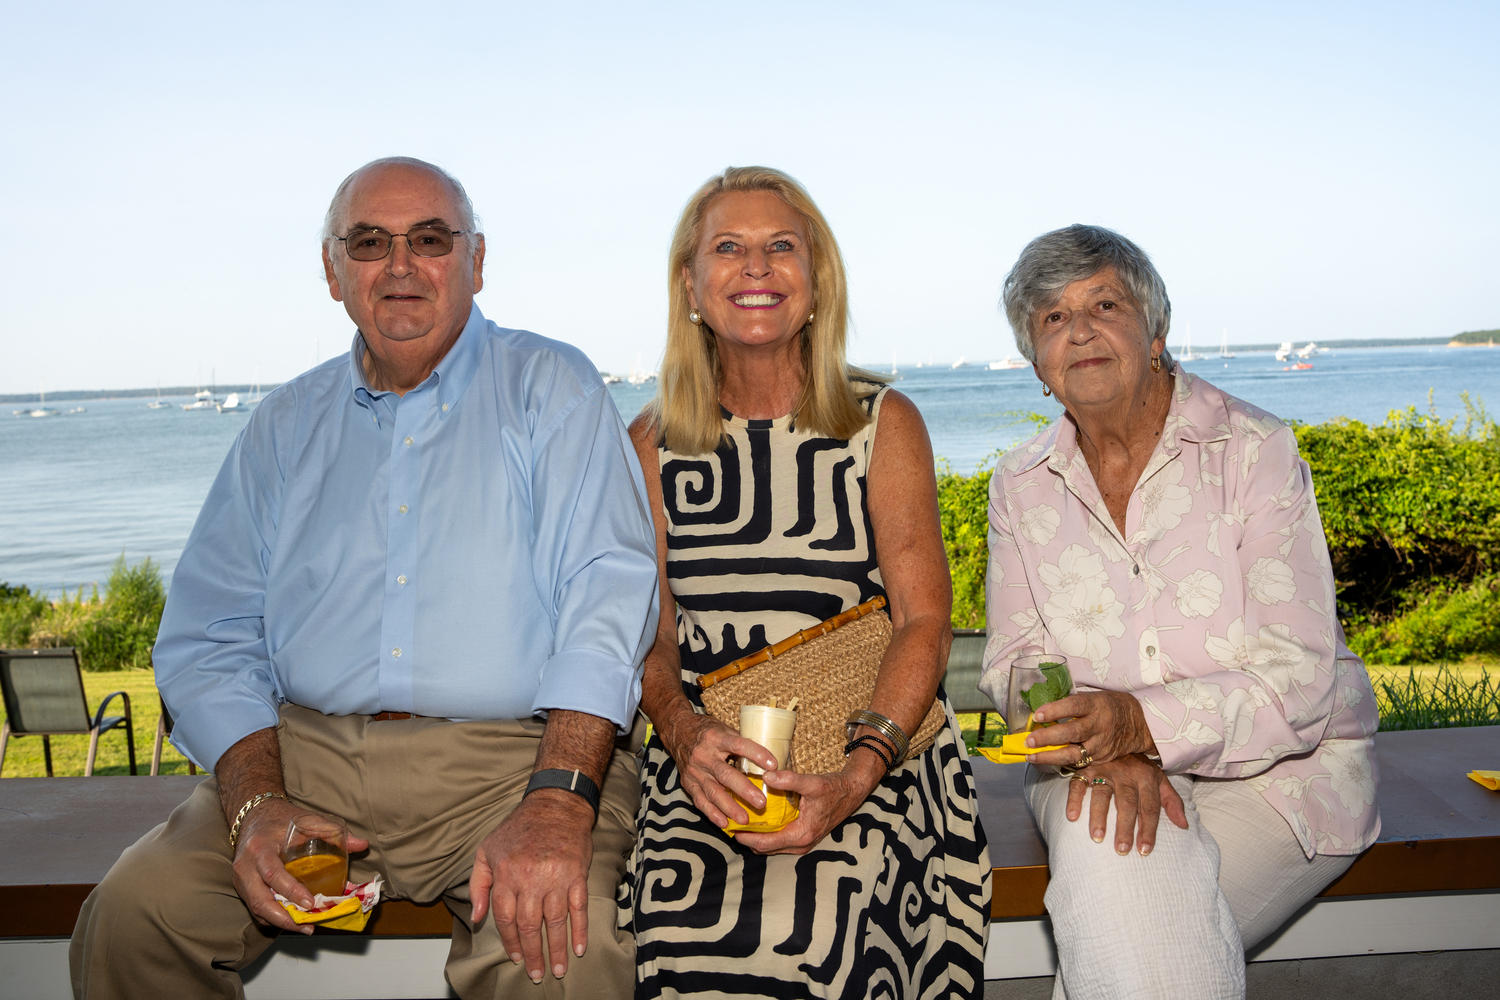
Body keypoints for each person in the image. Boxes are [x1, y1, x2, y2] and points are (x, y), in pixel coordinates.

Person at [68, 156, 660, 999]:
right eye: (370, 242)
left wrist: (560, 801)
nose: (401, 265)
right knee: (136, 915)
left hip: (509, 764)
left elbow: (609, 593)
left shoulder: (550, 387)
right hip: (303, 761)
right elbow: (210, 632)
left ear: (477, 259)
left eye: (430, 239)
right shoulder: (283, 424)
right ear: (333, 270)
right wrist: (256, 803)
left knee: (564, 955)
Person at [618, 166, 992, 999]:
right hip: (710, 760)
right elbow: (650, 632)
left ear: (817, 281)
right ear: (689, 285)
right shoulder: (649, 442)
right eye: (729, 248)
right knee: (690, 932)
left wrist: (857, 775)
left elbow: (925, 621)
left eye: (781, 246)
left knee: (813, 924)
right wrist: (685, 739)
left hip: (876, 752)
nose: (757, 267)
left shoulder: (879, 423)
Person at [979, 224, 1380, 999]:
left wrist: (1139, 723)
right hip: (1093, 763)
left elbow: (1299, 680)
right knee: (1119, 879)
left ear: (1156, 330)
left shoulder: (1255, 449)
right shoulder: (1019, 484)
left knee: (1122, 929)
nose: (1081, 329)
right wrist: (1101, 739)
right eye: (1053, 318)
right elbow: (1014, 659)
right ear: (1036, 364)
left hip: (1283, 775)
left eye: (1105, 302)